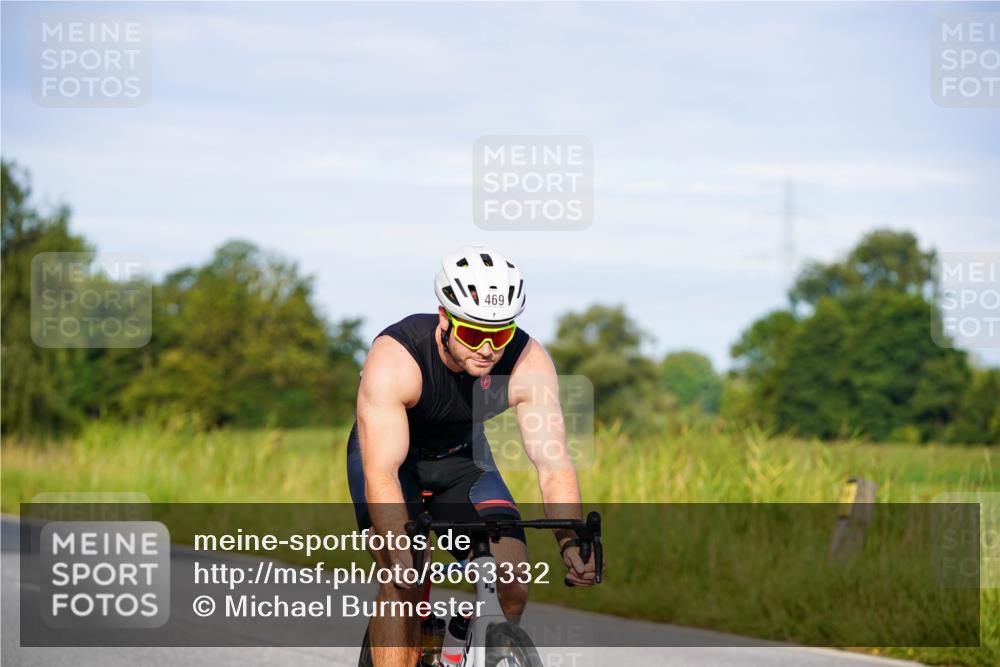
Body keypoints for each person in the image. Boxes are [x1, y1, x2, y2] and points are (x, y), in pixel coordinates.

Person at [347, 245, 597, 667]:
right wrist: (398, 547)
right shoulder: (396, 358)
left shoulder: (527, 362)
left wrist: (570, 540)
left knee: (511, 581)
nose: (486, 349)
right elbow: (382, 471)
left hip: (463, 461)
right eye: (473, 333)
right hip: (394, 464)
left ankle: (471, 643)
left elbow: (553, 465)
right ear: (444, 319)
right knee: (404, 580)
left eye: (499, 335)